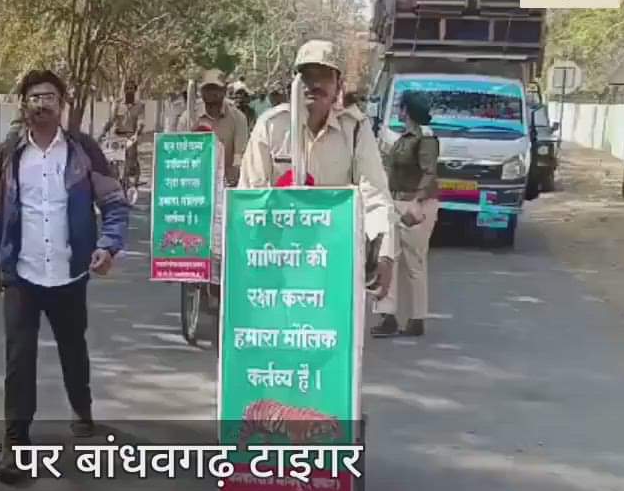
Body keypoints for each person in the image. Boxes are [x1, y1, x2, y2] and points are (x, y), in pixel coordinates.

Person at [0, 69, 129, 483]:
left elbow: (114, 203)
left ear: (62, 104)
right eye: (33, 97)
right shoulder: (12, 152)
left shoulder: (83, 151)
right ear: (24, 106)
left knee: (73, 348)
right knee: (19, 358)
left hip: (69, 272)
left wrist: (108, 245)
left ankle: (82, 411)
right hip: (23, 273)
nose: (41, 104)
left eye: (49, 96)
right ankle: (15, 443)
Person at [238, 39, 396, 302]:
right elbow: (251, 195)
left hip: (334, 260)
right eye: (307, 76)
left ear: (338, 85)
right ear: (294, 84)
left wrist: (384, 253)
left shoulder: (355, 129)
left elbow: (375, 196)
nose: (315, 85)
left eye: (324, 76)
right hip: (277, 258)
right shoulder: (271, 126)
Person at [174, 69, 249, 302]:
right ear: (201, 91)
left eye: (216, 89)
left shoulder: (238, 118)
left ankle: (220, 282)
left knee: (225, 237)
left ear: (224, 91)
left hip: (225, 182)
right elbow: (178, 149)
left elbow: (240, 153)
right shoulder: (189, 117)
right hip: (195, 181)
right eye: (207, 89)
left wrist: (234, 173)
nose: (212, 94)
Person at [372, 91, 439, 337]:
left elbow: (429, 171)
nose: (398, 112)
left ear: (407, 110)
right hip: (396, 202)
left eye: (401, 108)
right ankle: (387, 315)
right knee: (388, 258)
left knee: (414, 263)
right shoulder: (404, 137)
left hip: (415, 204)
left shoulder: (425, 138)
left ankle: (417, 318)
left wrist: (417, 201)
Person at [100, 80, 145, 199]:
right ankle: (116, 185)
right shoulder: (118, 103)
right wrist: (102, 133)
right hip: (117, 136)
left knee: (130, 160)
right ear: (124, 90)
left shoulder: (140, 105)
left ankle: (129, 183)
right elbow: (111, 120)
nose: (129, 90)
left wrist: (136, 134)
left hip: (131, 136)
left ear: (135, 90)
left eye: (132, 88)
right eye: (127, 88)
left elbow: (140, 122)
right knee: (113, 162)